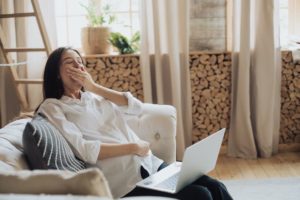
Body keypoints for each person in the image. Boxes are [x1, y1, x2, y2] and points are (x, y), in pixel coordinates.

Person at [37, 47, 233, 200]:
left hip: (150, 164)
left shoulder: (95, 98)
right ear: (56, 73)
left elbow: (136, 108)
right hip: (123, 181)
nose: (78, 67)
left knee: (216, 187)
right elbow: (84, 149)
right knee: (200, 195)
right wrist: (132, 147)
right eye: (70, 63)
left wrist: (95, 87)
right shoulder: (53, 107)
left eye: (80, 63)